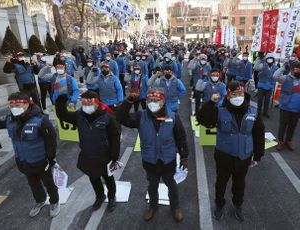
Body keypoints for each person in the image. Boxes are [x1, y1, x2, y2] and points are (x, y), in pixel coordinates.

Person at [115, 87, 189, 222]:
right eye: (150, 100)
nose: (153, 102)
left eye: (157, 100)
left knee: (171, 184)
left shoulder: (173, 117)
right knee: (152, 185)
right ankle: (153, 207)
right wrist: (128, 101)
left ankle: (175, 207)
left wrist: (184, 156)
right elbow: (119, 118)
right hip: (150, 160)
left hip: (168, 160)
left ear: (163, 101)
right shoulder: (140, 116)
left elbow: (181, 137)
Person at [197, 81, 265, 222]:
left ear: (244, 93)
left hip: (244, 156)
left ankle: (238, 205)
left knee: (239, 183)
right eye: (233, 94)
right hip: (224, 156)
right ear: (228, 96)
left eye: (239, 93)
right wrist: (210, 103)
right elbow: (202, 120)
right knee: (221, 183)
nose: (237, 96)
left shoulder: (253, 111)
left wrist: (258, 155)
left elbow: (259, 133)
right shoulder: (220, 110)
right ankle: (219, 205)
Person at [0, 92, 60, 217]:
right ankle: (40, 200)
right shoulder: (9, 119)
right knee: (33, 184)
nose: (14, 108)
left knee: (48, 183)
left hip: (41, 161)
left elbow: (51, 140)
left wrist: (50, 159)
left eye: (17, 105)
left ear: (26, 104)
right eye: (11, 106)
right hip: (23, 161)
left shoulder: (40, 120)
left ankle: (54, 202)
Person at [55, 91, 120, 212]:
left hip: (104, 155)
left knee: (108, 178)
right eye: (84, 103)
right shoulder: (79, 116)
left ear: (97, 103)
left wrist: (114, 154)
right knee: (93, 178)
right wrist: (61, 101)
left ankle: (112, 197)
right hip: (88, 155)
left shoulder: (107, 117)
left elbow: (115, 136)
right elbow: (62, 116)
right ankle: (100, 196)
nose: (87, 106)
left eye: (90, 103)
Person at [273, 61, 300, 151]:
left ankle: (288, 140)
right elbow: (275, 76)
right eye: (295, 67)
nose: (297, 69)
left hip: (297, 108)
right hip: (286, 106)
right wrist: (283, 67)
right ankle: (280, 141)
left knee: (292, 126)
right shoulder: (286, 78)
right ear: (292, 69)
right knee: (283, 125)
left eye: (298, 68)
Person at [254, 53, 279, 118]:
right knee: (260, 100)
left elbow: (278, 75)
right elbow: (256, 67)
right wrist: (259, 58)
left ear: (273, 60)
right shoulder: (262, 65)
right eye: (268, 58)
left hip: (270, 87)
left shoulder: (275, 67)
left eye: (271, 58)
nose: (270, 60)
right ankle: (258, 111)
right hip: (261, 86)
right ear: (266, 59)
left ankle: (265, 112)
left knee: (267, 100)